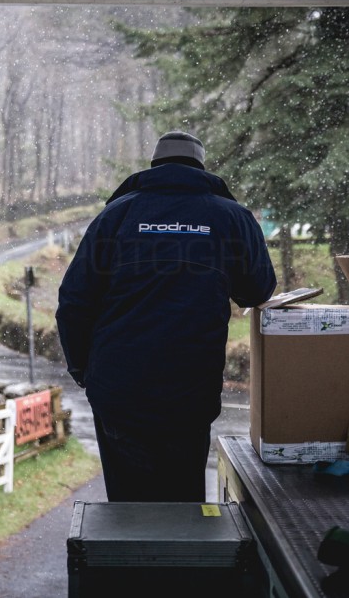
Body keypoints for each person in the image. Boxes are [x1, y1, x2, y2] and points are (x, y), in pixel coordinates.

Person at [56, 130, 277, 502]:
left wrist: (85, 371)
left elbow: (74, 303)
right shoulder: (230, 218)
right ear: (201, 167)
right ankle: (178, 556)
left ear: (154, 166)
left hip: (118, 389)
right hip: (188, 391)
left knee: (127, 506)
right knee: (183, 500)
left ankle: (130, 555)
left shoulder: (115, 216)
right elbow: (259, 291)